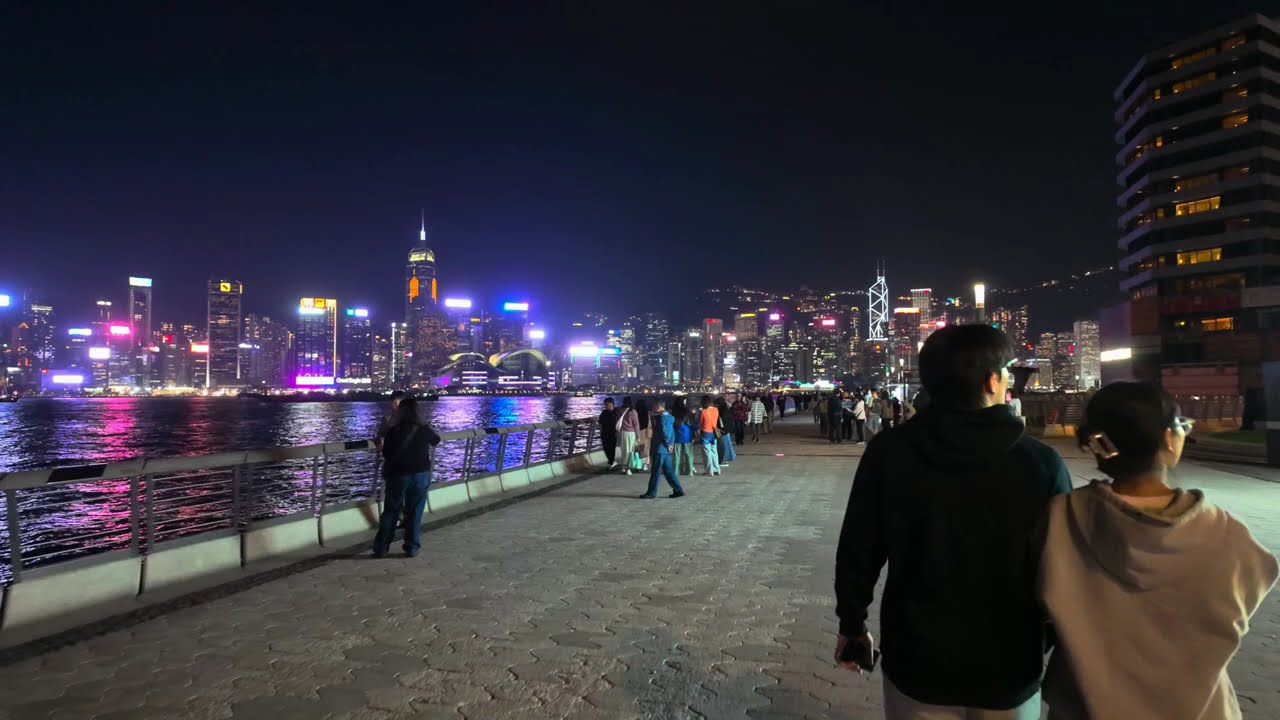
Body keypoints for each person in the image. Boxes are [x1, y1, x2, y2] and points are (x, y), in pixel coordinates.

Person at [834, 325, 1072, 718]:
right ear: (992, 379)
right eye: (1007, 371)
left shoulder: (889, 453)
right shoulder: (1040, 463)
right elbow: (1062, 567)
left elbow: (859, 547)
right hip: (1009, 663)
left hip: (916, 659)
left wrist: (852, 623)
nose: (1010, 378)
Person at [1039, 383, 1278, 719]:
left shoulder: (1059, 518)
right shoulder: (1226, 534)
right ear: (1169, 438)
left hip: (1082, 708)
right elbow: (1243, 601)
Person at [372, 397, 442, 558]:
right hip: (420, 474)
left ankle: (382, 548)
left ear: (400, 411)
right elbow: (436, 440)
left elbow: (387, 453)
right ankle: (412, 547)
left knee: (391, 511)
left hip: (398, 475)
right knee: (415, 511)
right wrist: (425, 426)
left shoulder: (393, 430)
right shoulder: (423, 428)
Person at [638, 401, 686, 499]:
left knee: (656, 471)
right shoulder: (668, 417)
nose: (652, 409)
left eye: (654, 407)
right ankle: (678, 489)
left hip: (660, 448)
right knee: (668, 470)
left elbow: (665, 433)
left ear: (658, 407)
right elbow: (671, 433)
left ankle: (651, 492)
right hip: (665, 449)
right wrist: (670, 444)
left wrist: (668, 444)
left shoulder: (662, 418)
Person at [670, 397, 696, 475]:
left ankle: (676, 471)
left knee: (677, 454)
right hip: (687, 435)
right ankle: (689, 471)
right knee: (688, 454)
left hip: (677, 435)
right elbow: (691, 424)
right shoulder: (687, 412)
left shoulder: (673, 412)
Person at [698, 394, 722, 476]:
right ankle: (717, 469)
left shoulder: (703, 412)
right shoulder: (716, 409)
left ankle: (709, 471)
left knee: (706, 453)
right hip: (714, 432)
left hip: (705, 433)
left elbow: (700, 423)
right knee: (714, 451)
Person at [616, 397, 640, 475]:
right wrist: (638, 436)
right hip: (631, 433)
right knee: (630, 450)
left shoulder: (620, 410)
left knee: (623, 450)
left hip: (622, 433)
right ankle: (628, 468)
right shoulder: (633, 412)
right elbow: (636, 425)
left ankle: (623, 466)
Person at [598, 397, 618, 468]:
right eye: (605, 404)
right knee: (606, 448)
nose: (605, 405)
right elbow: (600, 423)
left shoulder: (617, 412)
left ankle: (611, 461)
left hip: (613, 433)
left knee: (612, 448)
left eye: (607, 404)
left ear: (611, 404)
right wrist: (601, 432)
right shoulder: (604, 412)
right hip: (605, 433)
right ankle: (611, 461)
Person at [715, 397, 736, 464]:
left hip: (721, 430)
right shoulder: (726, 410)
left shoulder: (720, 411)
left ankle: (723, 458)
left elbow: (719, 422)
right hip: (726, 430)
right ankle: (729, 457)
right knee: (727, 444)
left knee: (722, 445)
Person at [635, 397, 652, 471]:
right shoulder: (646, 412)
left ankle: (638, 464)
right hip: (645, 432)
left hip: (637, 432)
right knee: (646, 449)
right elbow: (649, 423)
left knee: (638, 449)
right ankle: (645, 464)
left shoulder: (635, 412)